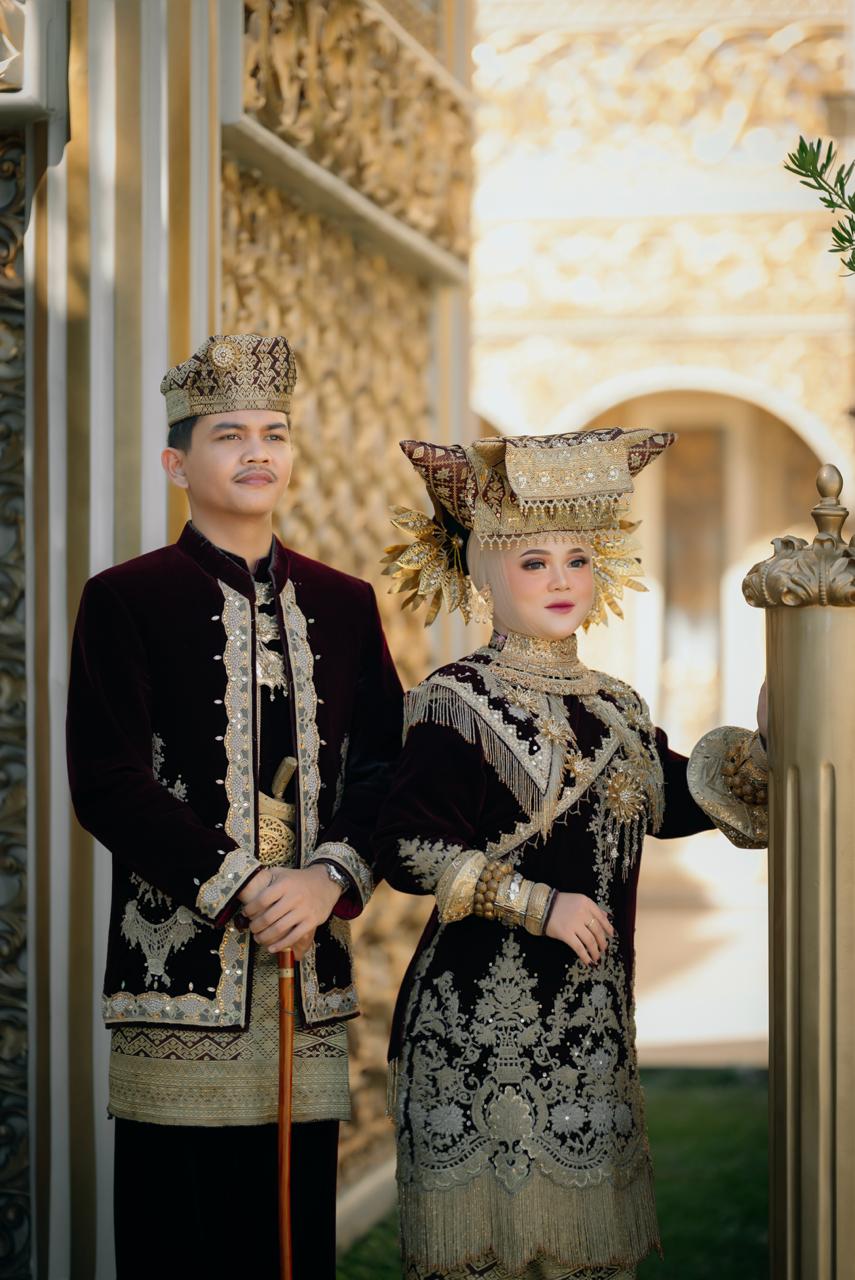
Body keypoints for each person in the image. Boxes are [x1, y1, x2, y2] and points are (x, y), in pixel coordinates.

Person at [374, 429, 768, 1280]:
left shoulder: (616, 707)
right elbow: (408, 847)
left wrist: (770, 752)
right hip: (472, 1036)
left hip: (590, 1035)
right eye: (533, 562)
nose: (560, 580)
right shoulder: (452, 702)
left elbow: (673, 801)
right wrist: (538, 905)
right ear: (482, 574)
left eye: (577, 560)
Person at [66, 333, 403, 1278]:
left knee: (288, 1243)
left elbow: (384, 766)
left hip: (308, 973)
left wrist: (329, 877)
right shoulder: (125, 599)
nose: (258, 451)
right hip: (176, 979)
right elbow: (107, 780)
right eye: (229, 435)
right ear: (176, 463)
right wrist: (246, 885)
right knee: (179, 1241)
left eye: (274, 433)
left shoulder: (344, 603)